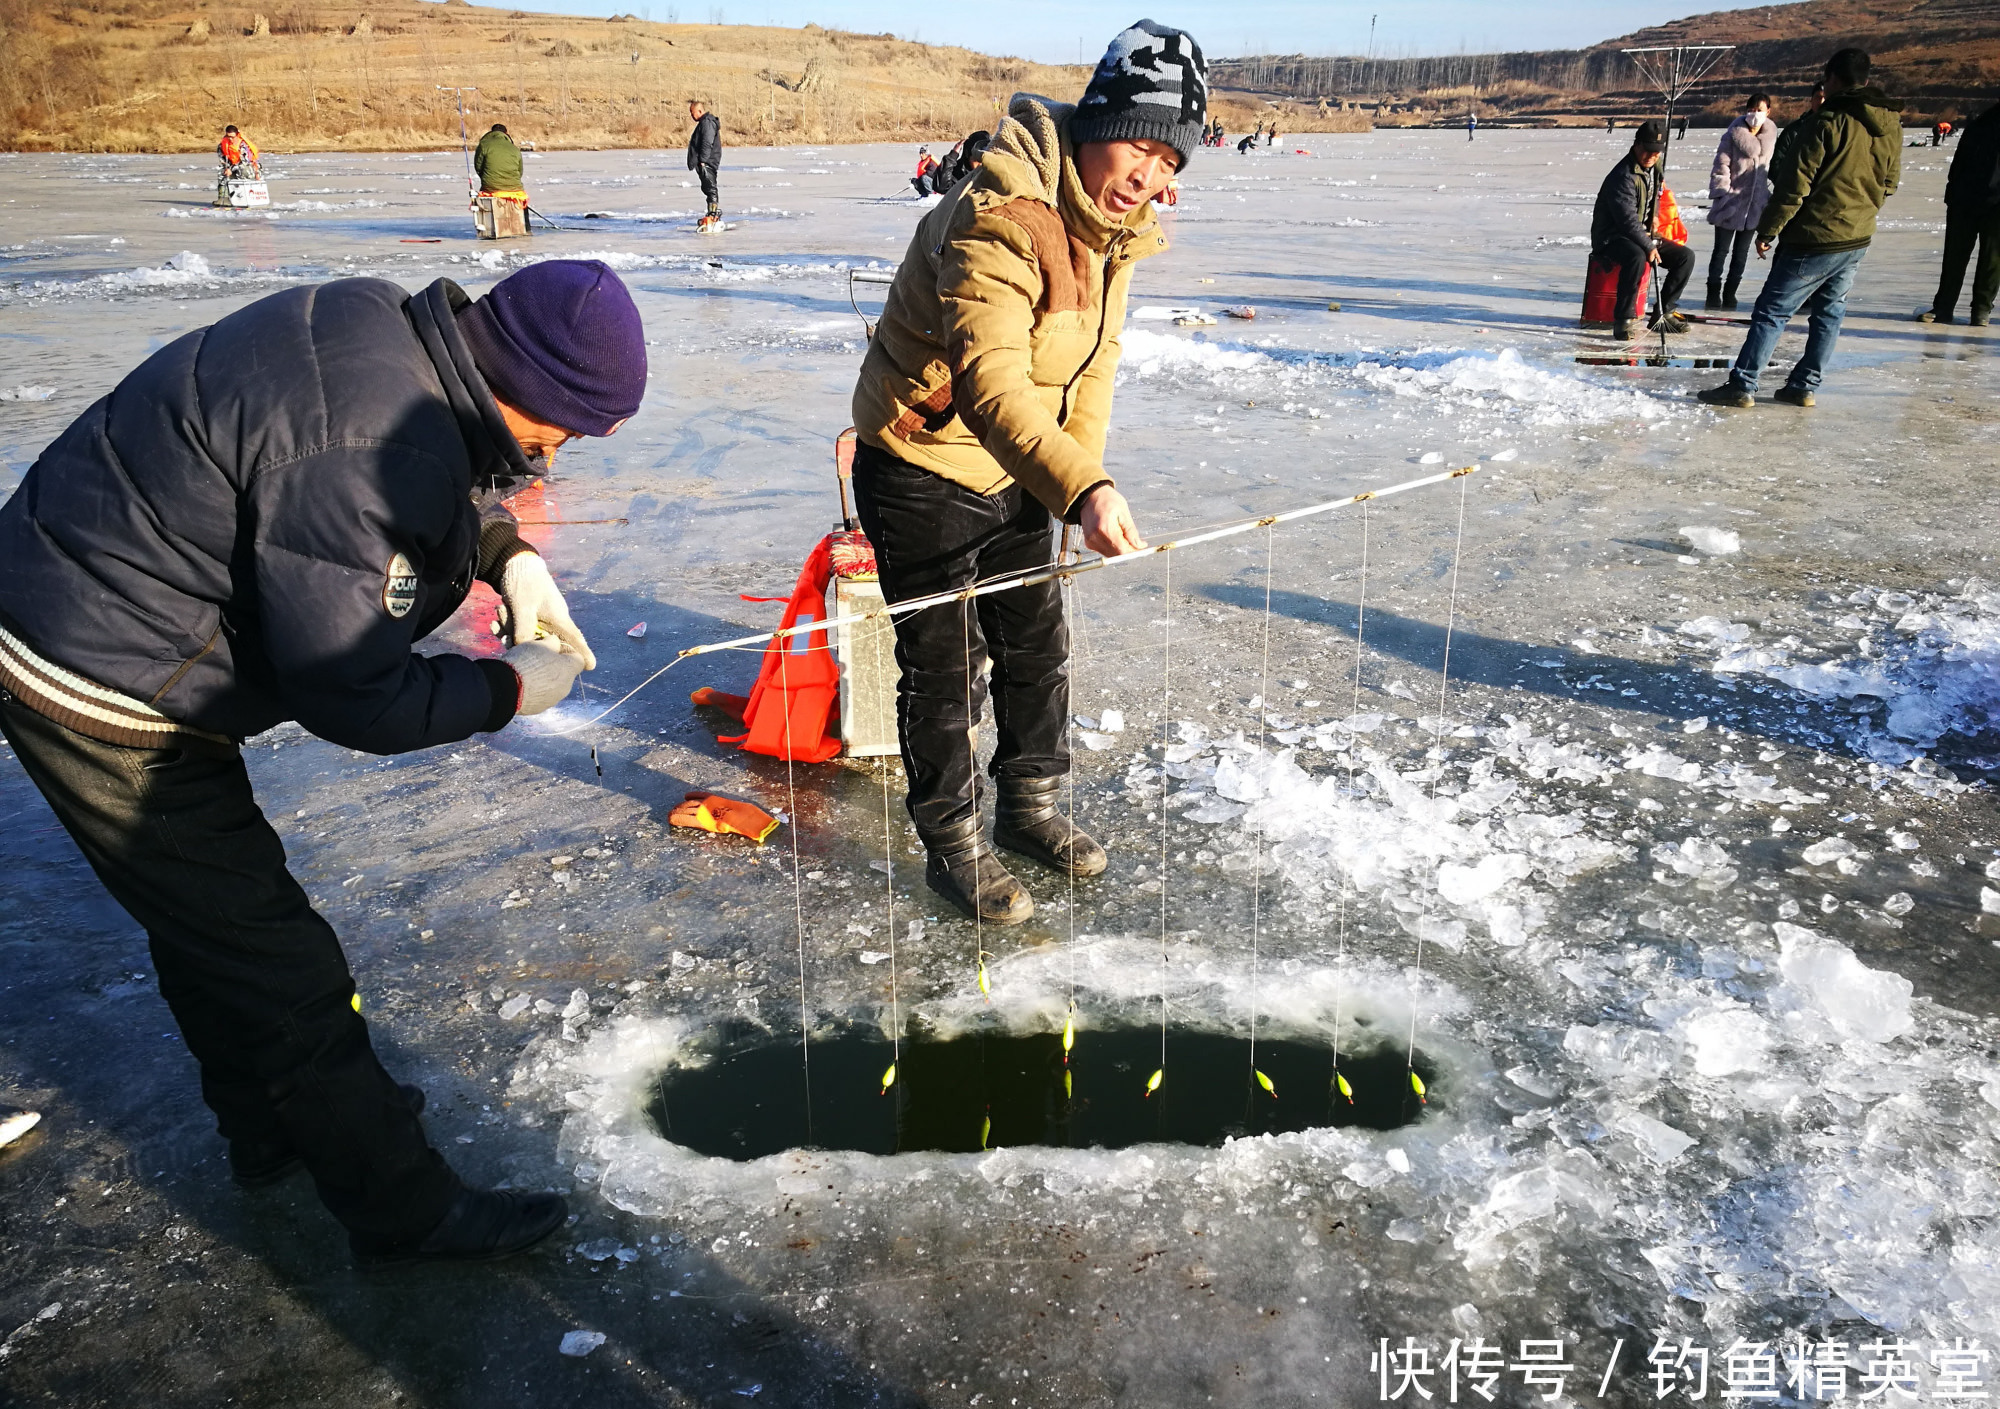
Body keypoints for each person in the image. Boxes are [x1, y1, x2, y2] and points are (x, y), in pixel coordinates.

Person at [0, 259, 646, 1265]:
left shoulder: (384, 329)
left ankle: (274, 1130)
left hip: (91, 597)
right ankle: (403, 1212)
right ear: (526, 380)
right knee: (281, 962)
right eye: (564, 430)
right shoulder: (367, 447)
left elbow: (388, 477)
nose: (557, 456)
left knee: (213, 925)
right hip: (101, 664)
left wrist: (504, 553)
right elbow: (354, 689)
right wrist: (507, 687)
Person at [847, 19, 1201, 924]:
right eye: (1140, 145)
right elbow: (991, 380)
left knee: (1037, 647)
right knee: (944, 669)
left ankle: (1030, 808)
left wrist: (1076, 474)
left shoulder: (1119, 229)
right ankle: (952, 844)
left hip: (1020, 465)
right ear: (1095, 122)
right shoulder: (999, 214)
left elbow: (1095, 366)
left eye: (1173, 162)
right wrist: (1079, 488)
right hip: (922, 458)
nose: (1149, 178)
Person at [1699, 49, 1901, 409]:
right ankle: (1804, 386)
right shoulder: (1890, 124)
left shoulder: (1827, 123)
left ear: (1832, 79)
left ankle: (1743, 384)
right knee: (1829, 313)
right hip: (1857, 237)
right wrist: (1863, 211)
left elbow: (1796, 186)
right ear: (1866, 81)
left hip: (1814, 236)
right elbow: (1890, 181)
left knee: (1772, 311)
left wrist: (1768, 231)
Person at [1591, 119, 1694, 339]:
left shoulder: (1656, 167)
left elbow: (1655, 196)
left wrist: (1654, 218)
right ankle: (1624, 320)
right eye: (1648, 151)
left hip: (1641, 233)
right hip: (1612, 236)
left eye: (1656, 153)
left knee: (1685, 257)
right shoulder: (1622, 176)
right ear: (1637, 144)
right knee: (1637, 256)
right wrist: (1648, 245)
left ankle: (1663, 312)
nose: (1651, 157)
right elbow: (1626, 220)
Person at [1919, 96, 2000, 326]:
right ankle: (1943, 307)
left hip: (1996, 205)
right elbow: (1960, 159)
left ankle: (1981, 311)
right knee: (1954, 257)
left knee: (1991, 261)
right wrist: (1952, 190)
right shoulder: (1981, 121)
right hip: (1965, 199)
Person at [1706, 94, 1777, 309]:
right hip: (1731, 203)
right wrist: (1723, 194)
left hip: (1754, 205)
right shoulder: (1733, 135)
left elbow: (1770, 168)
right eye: (1752, 109)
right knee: (1721, 251)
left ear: (1768, 112)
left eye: (1760, 109)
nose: (1756, 114)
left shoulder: (1771, 136)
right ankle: (1713, 293)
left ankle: (1730, 294)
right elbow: (1721, 165)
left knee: (1741, 253)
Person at [687, 98, 722, 229]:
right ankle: (711, 214)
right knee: (708, 188)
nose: (691, 116)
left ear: (700, 110)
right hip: (705, 162)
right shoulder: (704, 123)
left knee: (711, 189)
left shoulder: (707, 123)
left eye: (692, 112)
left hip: (707, 162)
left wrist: (703, 160)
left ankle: (713, 215)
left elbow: (707, 143)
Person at [473, 122, 525, 200]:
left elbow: (478, 166)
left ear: (491, 132)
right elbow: (520, 171)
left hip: (490, 187)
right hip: (515, 188)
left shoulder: (484, 145)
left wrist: (487, 178)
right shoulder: (514, 148)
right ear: (506, 133)